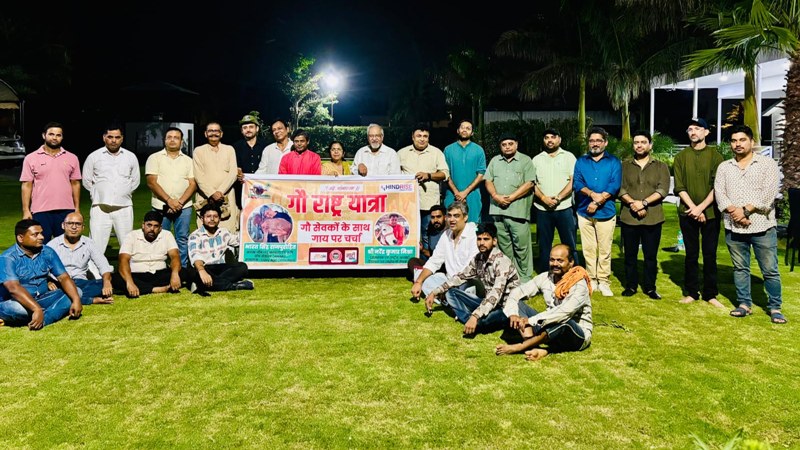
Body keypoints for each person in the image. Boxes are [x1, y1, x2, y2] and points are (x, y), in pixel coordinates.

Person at [715, 125, 785, 324]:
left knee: (770, 270)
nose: (738, 144)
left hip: (762, 226)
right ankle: (744, 304)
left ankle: (775, 307)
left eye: (742, 140)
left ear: (752, 142)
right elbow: (720, 192)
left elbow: (769, 193)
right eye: (734, 140)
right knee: (740, 268)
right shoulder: (724, 167)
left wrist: (745, 211)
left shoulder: (767, 164)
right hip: (734, 226)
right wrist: (735, 212)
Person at [495, 244, 593, 361]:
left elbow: (563, 313)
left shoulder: (579, 284)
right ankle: (533, 345)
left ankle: (521, 347)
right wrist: (513, 314)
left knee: (562, 320)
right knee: (518, 304)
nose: (555, 264)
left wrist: (531, 320)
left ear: (571, 262)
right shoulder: (545, 277)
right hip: (549, 327)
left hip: (576, 335)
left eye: (560, 261)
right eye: (552, 260)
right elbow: (517, 292)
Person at [425, 222, 521, 336]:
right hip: (487, 303)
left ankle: (475, 321)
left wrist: (475, 316)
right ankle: (469, 320)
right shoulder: (478, 259)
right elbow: (460, 277)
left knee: (484, 323)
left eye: (486, 239)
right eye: (479, 239)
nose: (482, 243)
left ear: (494, 241)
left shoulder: (502, 262)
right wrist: (434, 292)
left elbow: (495, 294)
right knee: (451, 293)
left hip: (507, 307)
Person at [673, 118, 725, 308]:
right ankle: (692, 292)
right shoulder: (681, 157)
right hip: (687, 213)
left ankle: (710, 294)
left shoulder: (716, 156)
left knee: (710, 254)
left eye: (697, 128)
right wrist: (694, 209)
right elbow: (679, 187)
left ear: (706, 132)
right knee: (691, 254)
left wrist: (701, 208)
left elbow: (717, 186)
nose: (693, 132)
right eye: (690, 129)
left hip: (710, 213)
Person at [0, 219, 83, 330]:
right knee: (18, 309)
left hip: (43, 298)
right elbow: (14, 289)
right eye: (35, 234)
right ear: (20, 238)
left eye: (41, 233)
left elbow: (63, 278)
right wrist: (36, 309)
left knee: (77, 292)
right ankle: (46, 312)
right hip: (15, 302)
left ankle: (43, 319)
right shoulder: (7, 258)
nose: (41, 237)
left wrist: (76, 300)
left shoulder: (48, 252)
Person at [618, 131, 671, 300]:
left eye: (643, 142)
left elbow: (663, 189)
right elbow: (619, 188)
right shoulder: (624, 166)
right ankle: (631, 286)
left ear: (650, 145)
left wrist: (644, 203)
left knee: (650, 256)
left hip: (653, 218)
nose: (639, 145)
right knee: (630, 255)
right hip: (629, 217)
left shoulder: (661, 166)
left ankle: (650, 287)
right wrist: (633, 203)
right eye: (636, 142)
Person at [573, 126, 621, 297]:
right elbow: (577, 183)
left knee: (605, 249)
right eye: (592, 141)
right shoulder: (581, 161)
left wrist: (598, 201)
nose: (595, 144)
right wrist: (593, 195)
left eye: (598, 141)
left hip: (606, 213)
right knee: (588, 249)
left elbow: (615, 184)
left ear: (605, 143)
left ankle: (604, 281)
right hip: (584, 212)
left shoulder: (614, 162)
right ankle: (591, 279)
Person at [82, 123, 140, 259]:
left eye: (117, 137)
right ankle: (94, 271)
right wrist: (98, 194)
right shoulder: (94, 156)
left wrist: (123, 192)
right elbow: (87, 181)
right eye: (110, 137)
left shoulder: (130, 157)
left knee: (127, 244)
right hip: (100, 207)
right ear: (104, 137)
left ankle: (126, 271)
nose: (113, 140)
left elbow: (135, 181)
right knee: (96, 243)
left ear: (122, 138)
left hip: (124, 207)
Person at [484, 133, 536, 283]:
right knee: (504, 247)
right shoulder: (495, 161)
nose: (507, 147)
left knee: (522, 247)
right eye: (504, 145)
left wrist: (511, 197)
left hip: (518, 212)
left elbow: (529, 183)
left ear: (516, 144)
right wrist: (495, 196)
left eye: (510, 144)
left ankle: (525, 279)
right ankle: (510, 276)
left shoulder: (525, 160)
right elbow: (488, 180)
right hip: (498, 210)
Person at [19, 122, 81, 243]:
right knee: (40, 245)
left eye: (58, 135)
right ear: (44, 135)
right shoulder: (31, 158)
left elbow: (75, 184)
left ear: (62, 137)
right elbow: (26, 185)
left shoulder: (72, 158)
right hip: (40, 211)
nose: (55, 138)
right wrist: (26, 210)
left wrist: (77, 209)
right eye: (51, 134)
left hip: (66, 210)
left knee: (66, 246)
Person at [145, 127, 196, 267]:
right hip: (160, 206)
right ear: (165, 140)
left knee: (182, 238)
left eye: (176, 137)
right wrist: (169, 201)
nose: (172, 140)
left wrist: (179, 202)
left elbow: (192, 184)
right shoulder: (154, 158)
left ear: (182, 142)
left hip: (184, 207)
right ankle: (160, 267)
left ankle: (181, 268)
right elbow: (151, 182)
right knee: (160, 237)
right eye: (169, 137)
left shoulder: (188, 161)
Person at [532, 128, 579, 272]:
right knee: (544, 244)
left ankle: (574, 273)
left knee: (569, 243)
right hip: (543, 208)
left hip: (564, 207)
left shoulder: (569, 157)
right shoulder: (536, 159)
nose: (549, 140)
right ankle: (545, 274)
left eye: (553, 137)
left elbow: (573, 181)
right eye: (546, 137)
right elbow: (532, 183)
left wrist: (558, 198)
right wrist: (544, 198)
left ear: (559, 139)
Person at [410, 201, 479, 299]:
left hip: (467, 281)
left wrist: (444, 287)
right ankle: (446, 297)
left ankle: (445, 297)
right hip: (448, 280)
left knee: (466, 289)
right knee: (421, 277)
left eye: (456, 216)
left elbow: (470, 271)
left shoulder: (474, 235)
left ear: (465, 217)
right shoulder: (446, 235)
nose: (452, 219)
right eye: (449, 216)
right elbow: (434, 261)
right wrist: (418, 282)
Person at [112, 211, 188, 297]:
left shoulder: (167, 235)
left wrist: (175, 274)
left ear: (160, 228)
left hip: (160, 274)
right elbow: (123, 260)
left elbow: (175, 256)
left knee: (184, 272)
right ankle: (156, 289)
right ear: (143, 225)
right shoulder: (131, 236)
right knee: (116, 278)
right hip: (137, 275)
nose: (152, 229)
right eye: (149, 225)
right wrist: (130, 282)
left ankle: (143, 288)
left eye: (156, 226)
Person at [46, 212, 114, 305]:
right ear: (63, 225)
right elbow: (42, 268)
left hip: (81, 282)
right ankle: (89, 299)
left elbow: (103, 265)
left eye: (78, 224)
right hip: (59, 283)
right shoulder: (52, 245)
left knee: (104, 283)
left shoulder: (89, 243)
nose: (74, 227)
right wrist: (48, 282)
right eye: (70, 223)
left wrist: (106, 282)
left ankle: (67, 296)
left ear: (83, 227)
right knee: (45, 288)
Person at [187, 204, 253, 296]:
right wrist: (202, 271)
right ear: (202, 219)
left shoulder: (223, 232)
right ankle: (234, 285)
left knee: (242, 267)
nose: (212, 219)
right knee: (195, 273)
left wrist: (247, 223)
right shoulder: (195, 236)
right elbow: (195, 256)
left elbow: (239, 240)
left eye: (215, 216)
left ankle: (205, 284)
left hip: (219, 267)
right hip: (203, 267)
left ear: (219, 219)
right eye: (208, 216)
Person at [397, 124, 450, 232]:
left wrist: (429, 175)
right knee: (408, 233)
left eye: (425, 136)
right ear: (413, 137)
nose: (422, 139)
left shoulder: (436, 153)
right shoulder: (401, 153)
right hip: (407, 204)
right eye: (419, 136)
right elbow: (393, 175)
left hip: (429, 204)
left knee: (428, 235)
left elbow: (445, 174)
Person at [193, 122, 239, 232]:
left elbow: (233, 173)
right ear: (205, 134)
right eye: (210, 131)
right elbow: (198, 176)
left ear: (221, 134)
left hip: (226, 197)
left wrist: (220, 191)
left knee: (228, 230)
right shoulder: (199, 151)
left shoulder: (229, 149)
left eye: (216, 131)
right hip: (206, 197)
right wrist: (212, 193)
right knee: (205, 230)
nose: (213, 133)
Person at [444, 120, 486, 223]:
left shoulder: (478, 150)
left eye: (468, 128)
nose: (464, 130)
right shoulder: (448, 150)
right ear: (458, 130)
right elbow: (445, 173)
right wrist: (457, 193)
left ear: (472, 133)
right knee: (452, 225)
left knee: (473, 226)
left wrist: (465, 192)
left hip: (472, 195)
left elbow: (481, 174)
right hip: (452, 195)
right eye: (462, 127)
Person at [233, 114, 269, 210]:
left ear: (257, 129)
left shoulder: (266, 146)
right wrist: (238, 173)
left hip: (263, 190)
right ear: (242, 131)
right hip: (242, 190)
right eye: (245, 128)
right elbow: (235, 166)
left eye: (251, 127)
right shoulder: (236, 147)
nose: (248, 130)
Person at [406, 205, 446, 280]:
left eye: (438, 217)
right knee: (412, 261)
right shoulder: (431, 231)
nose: (435, 220)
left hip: (446, 266)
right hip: (434, 266)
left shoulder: (449, 232)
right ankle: (426, 278)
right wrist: (423, 250)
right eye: (433, 217)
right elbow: (433, 254)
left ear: (445, 217)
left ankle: (424, 278)